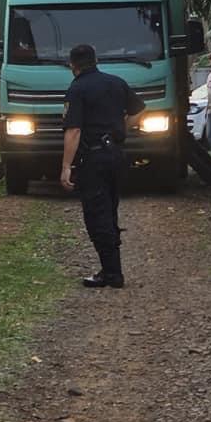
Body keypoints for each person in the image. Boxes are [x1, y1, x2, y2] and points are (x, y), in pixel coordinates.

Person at [60, 43, 145, 289]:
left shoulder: (77, 89)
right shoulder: (115, 82)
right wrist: (120, 129)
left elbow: (74, 130)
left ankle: (112, 273)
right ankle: (111, 269)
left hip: (93, 159)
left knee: (97, 215)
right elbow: (139, 109)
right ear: (95, 60)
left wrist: (66, 166)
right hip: (116, 154)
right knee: (110, 209)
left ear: (72, 65)